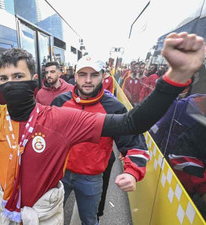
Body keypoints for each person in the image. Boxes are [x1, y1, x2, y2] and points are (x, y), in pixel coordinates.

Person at [0, 32, 205, 224]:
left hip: (45, 216)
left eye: (18, 78)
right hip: (5, 214)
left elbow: (131, 122)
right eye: (4, 80)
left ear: (33, 80)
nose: (9, 85)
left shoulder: (61, 118)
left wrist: (175, 77)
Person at [51, 56, 147, 225]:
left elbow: (134, 142)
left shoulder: (114, 107)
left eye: (94, 75)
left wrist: (132, 172)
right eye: (82, 74)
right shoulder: (60, 101)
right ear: (75, 75)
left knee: (89, 220)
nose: (88, 80)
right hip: (60, 174)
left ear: (103, 76)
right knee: (48, 217)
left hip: (91, 177)